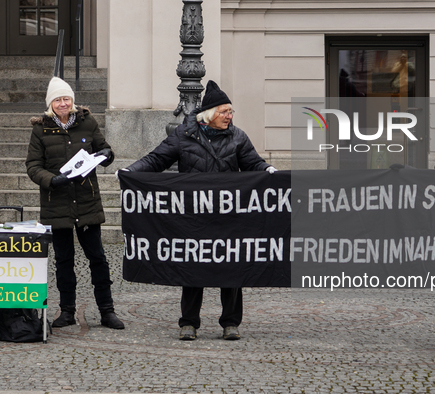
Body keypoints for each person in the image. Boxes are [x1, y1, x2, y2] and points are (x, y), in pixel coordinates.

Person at [120, 80, 276, 341]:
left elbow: (253, 163)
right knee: (192, 267)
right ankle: (189, 322)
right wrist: (130, 173)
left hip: (229, 216)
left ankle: (230, 322)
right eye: (225, 112)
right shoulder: (184, 135)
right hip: (193, 216)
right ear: (210, 114)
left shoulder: (238, 136)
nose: (230, 116)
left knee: (232, 268)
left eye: (230, 112)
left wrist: (268, 171)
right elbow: (156, 159)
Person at [26, 77, 124, 330]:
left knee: (98, 259)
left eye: (66, 98)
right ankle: (67, 311)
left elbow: (104, 149)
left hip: (86, 201)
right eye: (57, 99)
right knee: (64, 260)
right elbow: (33, 166)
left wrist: (106, 155)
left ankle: (107, 311)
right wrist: (52, 179)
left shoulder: (87, 122)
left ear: (72, 101)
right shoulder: (41, 129)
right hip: (56, 202)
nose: (63, 103)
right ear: (50, 104)